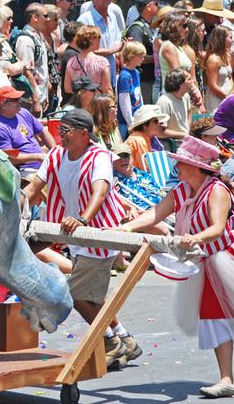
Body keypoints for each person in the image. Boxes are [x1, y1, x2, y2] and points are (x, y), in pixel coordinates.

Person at [122, 136, 234, 398]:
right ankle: (226, 379)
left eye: (181, 163)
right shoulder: (183, 190)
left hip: (230, 256)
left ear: (195, 166)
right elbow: (155, 213)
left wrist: (194, 238)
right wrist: (124, 227)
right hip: (206, 258)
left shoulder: (216, 190)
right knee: (213, 316)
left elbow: (217, 228)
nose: (177, 168)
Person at [22, 109, 141, 368]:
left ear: (84, 134)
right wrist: (15, 208)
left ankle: (111, 342)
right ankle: (125, 339)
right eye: (59, 130)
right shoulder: (55, 154)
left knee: (77, 295)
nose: (59, 135)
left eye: (65, 131)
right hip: (69, 232)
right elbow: (33, 188)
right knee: (91, 298)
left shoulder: (99, 156)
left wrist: (83, 219)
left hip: (97, 234)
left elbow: (100, 191)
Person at [0, 86, 54, 175]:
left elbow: (43, 131)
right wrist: (37, 157)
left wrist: (55, 151)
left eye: (19, 99)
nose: (20, 101)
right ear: (3, 104)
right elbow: (9, 158)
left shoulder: (23, 112)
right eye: (15, 99)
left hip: (43, 164)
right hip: (24, 170)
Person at [78, 0, 124, 93]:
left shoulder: (112, 17)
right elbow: (81, 50)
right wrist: (110, 51)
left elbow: (118, 42)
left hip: (111, 77)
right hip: (92, 81)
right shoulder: (85, 19)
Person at [15, 3, 51, 115]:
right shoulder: (25, 40)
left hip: (40, 97)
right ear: (34, 17)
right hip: (29, 101)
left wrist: (46, 94)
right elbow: (27, 72)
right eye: (45, 16)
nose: (48, 19)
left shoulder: (38, 36)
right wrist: (35, 100)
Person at [64, 26, 112, 98]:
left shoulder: (71, 62)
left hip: (79, 104)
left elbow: (67, 88)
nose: (100, 39)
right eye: (98, 37)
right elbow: (107, 88)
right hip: (97, 104)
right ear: (91, 40)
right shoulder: (102, 62)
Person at [125, 105, 169, 171]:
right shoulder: (139, 140)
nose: (159, 124)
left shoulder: (142, 137)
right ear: (144, 125)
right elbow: (147, 168)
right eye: (155, 121)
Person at [117, 42, 145, 139]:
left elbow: (139, 94)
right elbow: (124, 102)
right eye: (140, 56)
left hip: (138, 117)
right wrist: (130, 122)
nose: (143, 58)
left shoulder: (136, 72)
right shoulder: (125, 76)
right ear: (131, 56)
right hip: (127, 122)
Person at [203, 25, 234, 113]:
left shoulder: (226, 56)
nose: (233, 40)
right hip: (216, 101)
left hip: (228, 98)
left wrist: (233, 94)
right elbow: (212, 85)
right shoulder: (213, 59)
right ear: (222, 39)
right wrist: (227, 97)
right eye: (230, 37)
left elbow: (230, 77)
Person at [156, 70, 191, 146]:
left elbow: (189, 111)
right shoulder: (164, 102)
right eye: (189, 79)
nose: (192, 82)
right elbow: (160, 132)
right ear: (181, 84)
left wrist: (188, 130)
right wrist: (183, 135)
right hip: (173, 145)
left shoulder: (186, 96)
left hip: (186, 141)